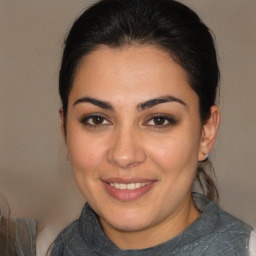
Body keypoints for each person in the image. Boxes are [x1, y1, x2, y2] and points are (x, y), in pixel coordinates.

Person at [50, 0, 255, 255]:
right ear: (65, 129)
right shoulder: (51, 248)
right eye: (97, 119)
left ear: (206, 133)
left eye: (159, 120)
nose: (124, 155)